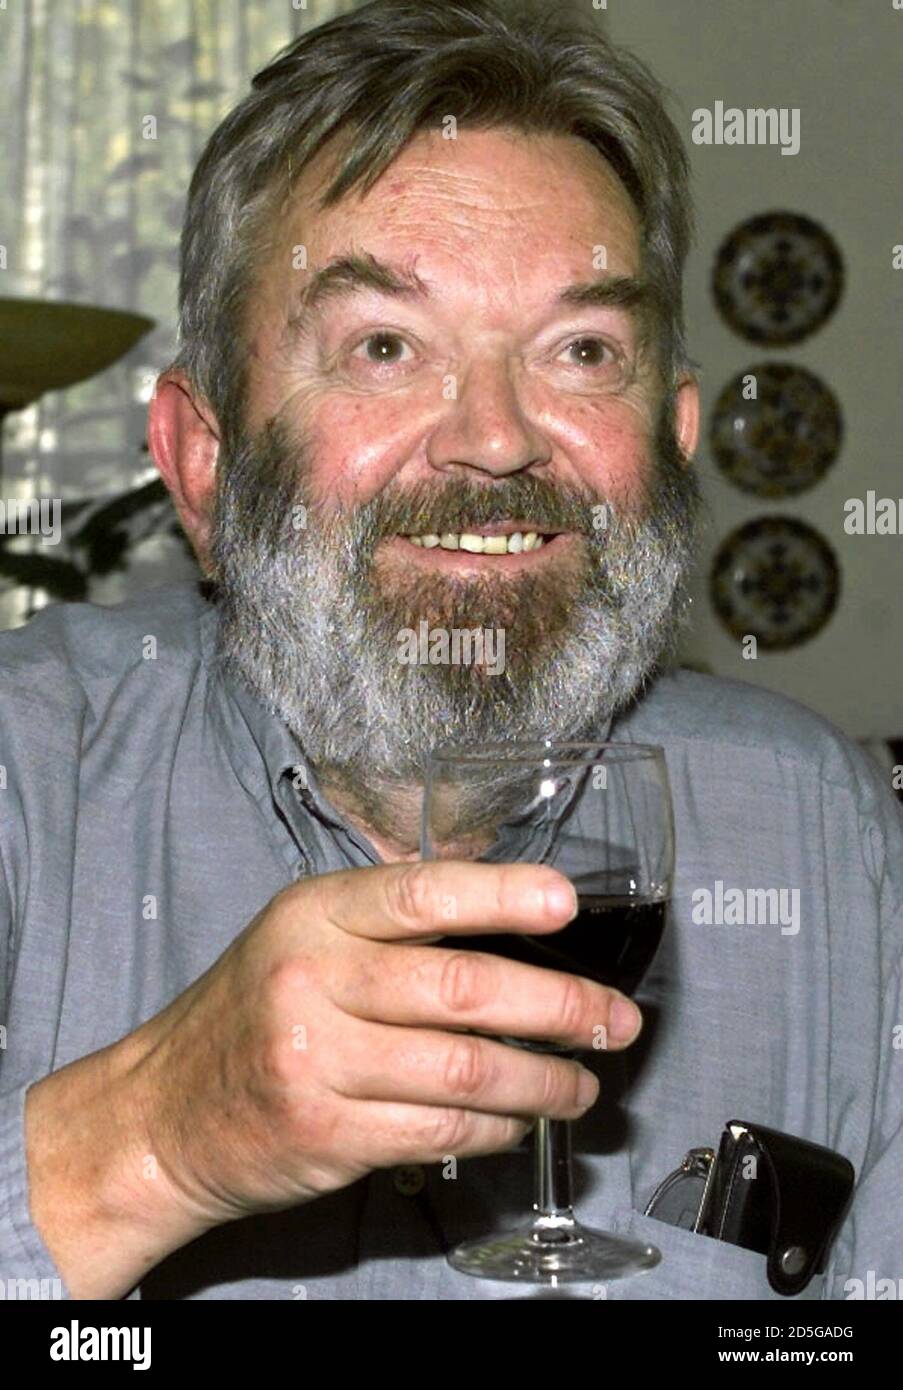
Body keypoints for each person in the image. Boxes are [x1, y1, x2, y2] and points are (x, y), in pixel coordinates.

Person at [2, 0, 900, 1302]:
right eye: (384, 346)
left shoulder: (827, 832)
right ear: (202, 460)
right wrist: (150, 1141)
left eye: (581, 351)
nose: (493, 437)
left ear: (672, 440)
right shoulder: (29, 787)